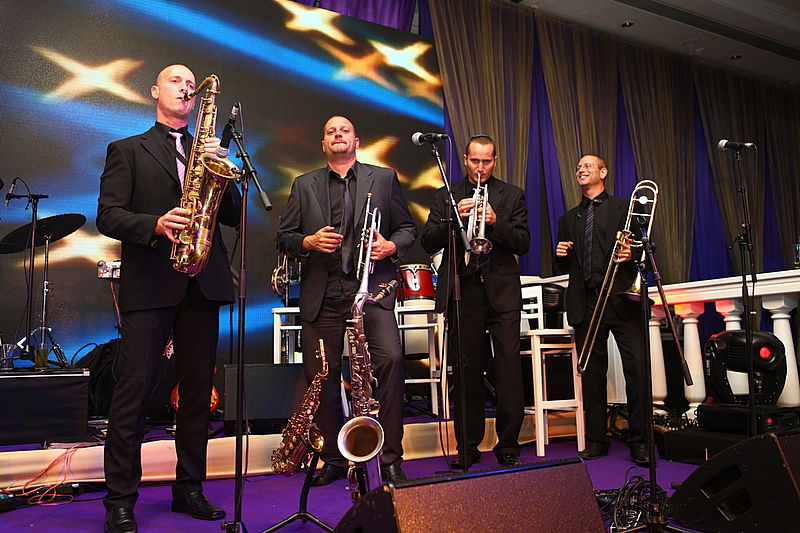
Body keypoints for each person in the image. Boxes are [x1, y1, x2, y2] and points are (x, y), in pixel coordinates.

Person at [97, 64, 241, 533]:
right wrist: (155, 224)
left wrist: (224, 171)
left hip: (202, 282)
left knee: (197, 395)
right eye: (176, 81)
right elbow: (108, 216)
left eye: (190, 83)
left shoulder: (208, 149)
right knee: (133, 395)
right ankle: (120, 501)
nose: (185, 87)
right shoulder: (126, 150)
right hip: (152, 284)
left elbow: (233, 216)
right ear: (155, 91)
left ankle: (189, 489)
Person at [276, 115, 417, 486]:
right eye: (330, 132)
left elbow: (408, 229)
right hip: (323, 295)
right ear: (323, 144)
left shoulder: (383, 179)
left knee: (391, 361)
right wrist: (307, 241)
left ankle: (390, 457)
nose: (337, 135)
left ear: (357, 141)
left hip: (370, 292)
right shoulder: (303, 184)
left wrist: (391, 246)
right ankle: (335, 459)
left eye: (345, 130)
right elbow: (284, 237)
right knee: (320, 376)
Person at [420, 135, 530, 469]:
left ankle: (508, 445)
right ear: (465, 160)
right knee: (466, 370)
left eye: (486, 161)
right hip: (463, 289)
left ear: (495, 161)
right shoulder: (445, 195)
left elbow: (523, 242)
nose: (480, 168)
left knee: (509, 369)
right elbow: (428, 241)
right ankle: (467, 446)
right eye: (475, 161)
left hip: (502, 291)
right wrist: (454, 220)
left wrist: (496, 223)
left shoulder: (511, 195)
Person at [555, 154, 649, 466]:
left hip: (622, 300)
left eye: (588, 166)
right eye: (578, 167)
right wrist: (560, 254)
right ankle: (596, 439)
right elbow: (563, 265)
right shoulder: (568, 219)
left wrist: (632, 252)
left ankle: (641, 440)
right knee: (592, 374)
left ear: (603, 172)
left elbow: (649, 247)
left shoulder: (625, 208)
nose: (581, 170)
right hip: (587, 302)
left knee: (637, 369)